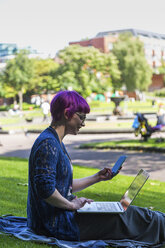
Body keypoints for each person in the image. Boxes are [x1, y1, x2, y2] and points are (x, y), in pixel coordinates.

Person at [27, 90, 165, 245]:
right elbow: (45, 190)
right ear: (67, 114)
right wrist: (72, 205)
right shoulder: (48, 144)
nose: (84, 123)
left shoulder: (55, 141)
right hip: (59, 224)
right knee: (137, 217)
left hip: (61, 218)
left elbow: (65, 185)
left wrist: (98, 177)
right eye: (82, 117)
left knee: (137, 215)